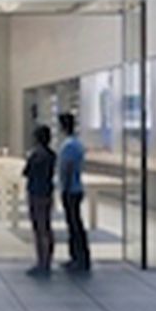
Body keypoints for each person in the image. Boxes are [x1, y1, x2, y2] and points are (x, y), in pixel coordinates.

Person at [57, 112, 90, 273]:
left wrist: (65, 189)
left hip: (71, 190)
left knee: (74, 225)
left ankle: (79, 258)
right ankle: (77, 257)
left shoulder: (69, 146)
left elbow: (67, 168)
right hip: (75, 188)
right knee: (75, 224)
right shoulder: (77, 144)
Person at [22, 123, 56, 276]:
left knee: (39, 228)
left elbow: (26, 172)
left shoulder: (36, 155)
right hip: (47, 192)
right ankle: (47, 260)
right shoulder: (51, 154)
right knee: (46, 227)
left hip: (36, 193)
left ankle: (42, 262)